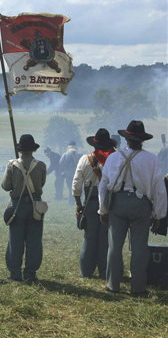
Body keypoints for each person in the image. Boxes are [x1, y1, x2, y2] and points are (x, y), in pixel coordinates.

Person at [99, 120, 167, 295]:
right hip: (141, 205)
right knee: (139, 248)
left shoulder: (113, 157)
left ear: (127, 139)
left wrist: (103, 210)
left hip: (117, 204)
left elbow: (104, 186)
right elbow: (159, 190)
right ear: (142, 140)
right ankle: (137, 288)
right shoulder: (152, 159)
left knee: (114, 247)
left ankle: (113, 285)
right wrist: (158, 215)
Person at [2, 134, 47, 282]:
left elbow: (5, 186)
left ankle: (15, 273)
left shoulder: (12, 165)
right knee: (34, 241)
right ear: (33, 150)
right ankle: (30, 273)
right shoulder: (41, 165)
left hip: (17, 205)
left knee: (15, 240)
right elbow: (41, 184)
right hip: (35, 204)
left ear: (20, 150)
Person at [72, 129, 116, 279]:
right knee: (105, 238)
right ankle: (104, 272)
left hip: (90, 203)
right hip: (109, 203)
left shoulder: (85, 159)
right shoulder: (115, 159)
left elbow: (76, 183)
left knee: (89, 237)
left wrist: (78, 204)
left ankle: (86, 272)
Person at [60, 141, 83, 205]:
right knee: (80, 187)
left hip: (69, 174)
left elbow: (61, 163)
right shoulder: (81, 154)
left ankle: (71, 202)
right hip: (79, 174)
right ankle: (80, 201)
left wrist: (64, 170)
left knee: (70, 188)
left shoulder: (65, 154)